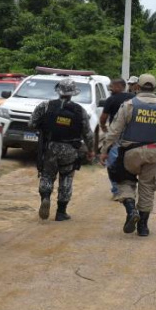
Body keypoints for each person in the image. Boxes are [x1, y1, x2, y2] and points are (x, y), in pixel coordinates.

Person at [100, 74, 156, 237]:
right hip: (154, 152)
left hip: (130, 152)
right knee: (147, 187)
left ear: (137, 87)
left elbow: (114, 131)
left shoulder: (129, 105)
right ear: (155, 88)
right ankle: (143, 227)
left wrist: (105, 150)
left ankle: (131, 211)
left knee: (124, 181)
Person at [29, 78, 94, 222]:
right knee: (66, 178)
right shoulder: (79, 111)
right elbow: (88, 133)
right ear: (72, 94)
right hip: (70, 149)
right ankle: (61, 212)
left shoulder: (45, 106)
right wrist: (91, 150)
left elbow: (32, 124)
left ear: (58, 91)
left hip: (49, 147)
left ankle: (45, 198)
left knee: (46, 175)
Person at [100, 78, 136, 199]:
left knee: (113, 163)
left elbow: (103, 117)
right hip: (131, 135)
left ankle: (116, 190)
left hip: (115, 135)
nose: (110, 88)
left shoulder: (111, 99)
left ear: (120, 86)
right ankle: (130, 189)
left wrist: (104, 128)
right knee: (130, 162)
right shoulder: (133, 98)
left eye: (112, 86)